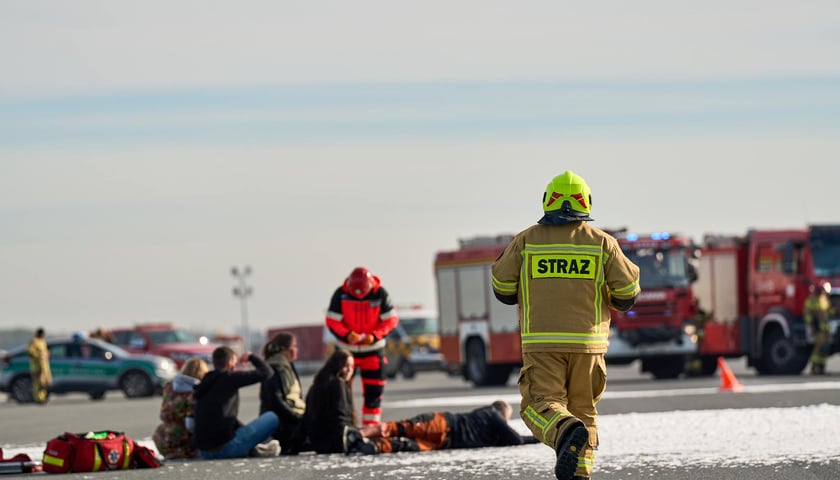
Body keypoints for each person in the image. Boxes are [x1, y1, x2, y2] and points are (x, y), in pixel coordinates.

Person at [491, 171, 641, 480]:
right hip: (590, 347)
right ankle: (580, 474)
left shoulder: (526, 240)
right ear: (585, 202)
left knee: (539, 406)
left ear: (548, 202)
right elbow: (628, 293)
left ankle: (564, 430)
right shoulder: (603, 244)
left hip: (543, 344)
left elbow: (501, 287)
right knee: (584, 411)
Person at [325, 266, 399, 426]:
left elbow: (390, 320)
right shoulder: (341, 295)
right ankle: (344, 426)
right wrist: (347, 334)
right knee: (341, 391)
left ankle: (370, 428)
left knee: (374, 392)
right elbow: (332, 320)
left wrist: (374, 336)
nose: (358, 296)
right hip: (347, 352)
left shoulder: (380, 294)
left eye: (362, 292)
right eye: (355, 292)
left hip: (373, 351)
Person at [346, 399, 539, 454]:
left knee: (406, 444)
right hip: (443, 424)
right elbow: (515, 440)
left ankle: (369, 446)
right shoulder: (493, 415)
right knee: (402, 428)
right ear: (501, 412)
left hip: (447, 440)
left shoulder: (486, 420)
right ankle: (359, 434)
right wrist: (538, 438)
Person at [193, 346, 281, 459]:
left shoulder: (205, 382)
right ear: (230, 364)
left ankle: (254, 448)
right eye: (235, 363)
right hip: (226, 448)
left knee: (236, 426)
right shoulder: (229, 377)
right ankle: (253, 448)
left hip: (203, 452)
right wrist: (251, 357)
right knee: (272, 417)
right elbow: (267, 372)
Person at [301, 348, 360, 454]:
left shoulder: (317, 384)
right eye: (346, 366)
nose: (350, 370)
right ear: (337, 366)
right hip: (334, 442)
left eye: (352, 367)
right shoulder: (338, 384)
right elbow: (340, 417)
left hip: (319, 442)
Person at [259, 332, 307, 454]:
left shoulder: (287, 367)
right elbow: (277, 402)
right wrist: (299, 418)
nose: (296, 349)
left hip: (293, 417)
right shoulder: (276, 368)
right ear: (286, 350)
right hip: (284, 424)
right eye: (294, 346)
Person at [152, 357, 209, 459]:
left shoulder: (169, 387)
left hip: (163, 441)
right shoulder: (194, 393)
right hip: (183, 444)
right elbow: (190, 425)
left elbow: (162, 415)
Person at [804, 281, 833, 375]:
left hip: (825, 329)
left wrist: (834, 311)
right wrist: (811, 324)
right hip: (818, 329)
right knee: (818, 348)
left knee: (825, 348)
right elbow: (807, 313)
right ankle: (814, 368)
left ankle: (821, 368)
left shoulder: (824, 299)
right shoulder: (812, 300)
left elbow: (828, 311)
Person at [26, 328, 52, 404]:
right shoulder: (34, 341)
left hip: (44, 366)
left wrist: (47, 354)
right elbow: (30, 351)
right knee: (37, 383)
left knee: (44, 383)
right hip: (36, 366)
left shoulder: (43, 341)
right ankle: (38, 399)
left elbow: (45, 352)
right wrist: (38, 355)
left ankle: (42, 397)